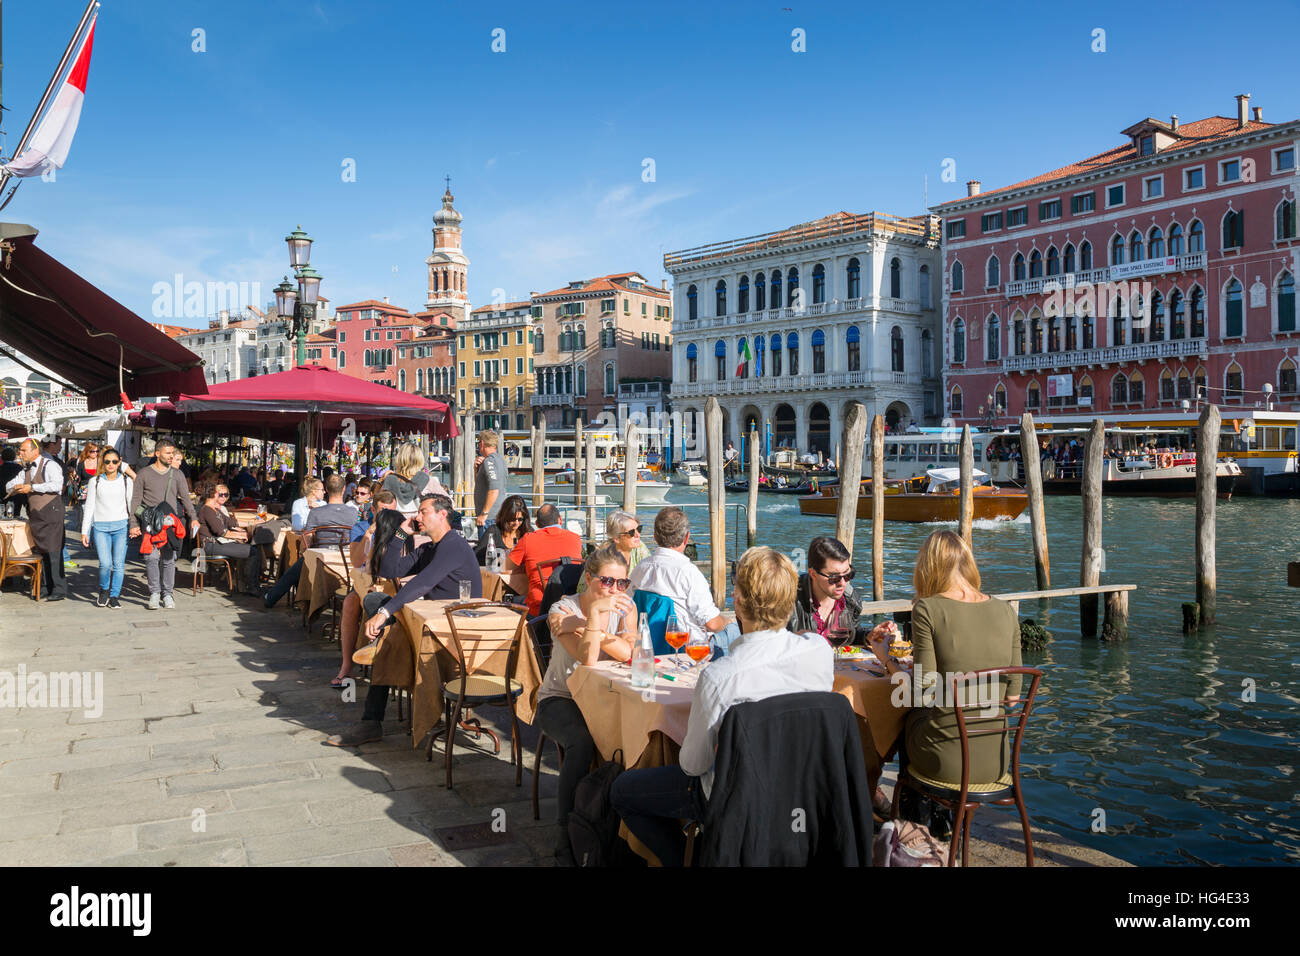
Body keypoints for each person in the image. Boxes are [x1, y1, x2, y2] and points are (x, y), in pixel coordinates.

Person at [611, 546, 834, 867]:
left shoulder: (720, 676)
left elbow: (692, 764)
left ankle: (689, 859)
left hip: (734, 798)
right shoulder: (820, 652)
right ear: (790, 601)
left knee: (623, 793)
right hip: (801, 789)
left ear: (737, 600)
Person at [868, 530, 1021, 834]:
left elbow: (923, 693)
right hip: (997, 762)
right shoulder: (1006, 611)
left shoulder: (928, 609)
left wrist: (886, 659)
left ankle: (915, 831)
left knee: (907, 719)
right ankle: (939, 823)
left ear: (927, 566)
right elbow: (1012, 699)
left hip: (947, 763)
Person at [328, 493, 480, 746]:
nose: (417, 517)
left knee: (387, 637)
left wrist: (385, 615)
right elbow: (389, 571)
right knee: (374, 602)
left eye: (423, 512)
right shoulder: (431, 548)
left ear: (442, 515)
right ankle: (381, 643)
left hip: (453, 632)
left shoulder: (453, 544)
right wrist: (400, 533)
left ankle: (371, 720)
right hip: (432, 622)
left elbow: (423, 583)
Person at [534, 542, 639, 864]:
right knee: (581, 741)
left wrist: (594, 630)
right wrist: (594, 616)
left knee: (642, 735)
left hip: (608, 699)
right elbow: (588, 658)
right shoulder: (562, 609)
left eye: (621, 583)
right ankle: (565, 835)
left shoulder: (626, 609)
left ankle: (625, 833)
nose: (614, 589)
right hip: (560, 699)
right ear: (589, 578)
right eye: (607, 581)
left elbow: (632, 654)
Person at [629, 506, 738, 653]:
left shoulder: (640, 568)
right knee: (736, 632)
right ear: (686, 537)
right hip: (689, 650)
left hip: (649, 647)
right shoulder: (689, 573)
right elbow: (711, 623)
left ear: (655, 537)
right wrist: (728, 622)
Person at [332, 502, 403, 688]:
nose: (387, 513)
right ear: (373, 510)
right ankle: (347, 665)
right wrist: (369, 535)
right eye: (382, 510)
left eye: (391, 509)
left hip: (390, 589)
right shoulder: (361, 527)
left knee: (372, 600)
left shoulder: (399, 528)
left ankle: (379, 645)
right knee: (350, 603)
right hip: (367, 584)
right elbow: (357, 563)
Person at [128, 438, 199, 610]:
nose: (171, 456)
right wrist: (133, 523)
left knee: (168, 559)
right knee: (151, 557)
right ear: (157, 453)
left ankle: (167, 594)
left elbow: (186, 498)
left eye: (172, 453)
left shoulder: (178, 474)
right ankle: (154, 593)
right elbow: (136, 500)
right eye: (168, 453)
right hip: (150, 521)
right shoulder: (144, 473)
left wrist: (194, 517)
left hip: (171, 522)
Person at [5, 438, 69, 600]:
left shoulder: (50, 465)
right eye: (20, 450)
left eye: (23, 450)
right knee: (41, 551)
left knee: (53, 552)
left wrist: (32, 488)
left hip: (52, 512)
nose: (20, 452)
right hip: (36, 515)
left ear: (35, 451)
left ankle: (59, 589)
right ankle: (45, 586)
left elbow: (57, 485)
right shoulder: (24, 469)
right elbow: (8, 485)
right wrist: (15, 487)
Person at [80, 447, 134, 607]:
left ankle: (115, 595)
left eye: (114, 461)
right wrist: (85, 531)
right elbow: (89, 507)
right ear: (103, 463)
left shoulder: (126, 481)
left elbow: (131, 504)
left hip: (122, 526)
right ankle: (104, 590)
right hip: (100, 527)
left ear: (120, 463)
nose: (111, 464)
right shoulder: (95, 481)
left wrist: (134, 525)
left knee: (118, 564)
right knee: (104, 563)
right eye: (107, 461)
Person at [509, 502, 582, 616]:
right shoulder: (576, 539)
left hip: (539, 608)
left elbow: (507, 567)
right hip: (570, 606)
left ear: (537, 524)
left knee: (509, 601)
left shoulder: (528, 539)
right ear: (560, 520)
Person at [787, 535, 862, 639]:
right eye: (834, 578)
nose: (843, 583)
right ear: (813, 574)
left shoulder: (851, 599)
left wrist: (868, 636)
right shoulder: (788, 601)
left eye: (848, 575)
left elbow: (851, 637)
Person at [195, 480, 261, 595]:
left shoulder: (215, 509)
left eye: (226, 495)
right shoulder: (207, 510)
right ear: (213, 495)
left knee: (252, 548)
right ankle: (251, 586)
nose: (223, 497)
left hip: (218, 543)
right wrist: (240, 535)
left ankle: (244, 584)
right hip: (210, 545)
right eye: (220, 494)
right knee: (253, 551)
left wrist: (251, 523)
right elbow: (221, 532)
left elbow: (231, 522)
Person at [577, 509, 649, 593]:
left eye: (639, 529)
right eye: (632, 532)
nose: (638, 535)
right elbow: (588, 591)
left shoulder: (640, 548)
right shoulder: (602, 558)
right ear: (616, 538)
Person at [382, 442, 438, 516]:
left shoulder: (389, 480)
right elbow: (449, 504)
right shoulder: (428, 480)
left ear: (399, 459)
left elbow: (379, 504)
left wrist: (381, 480)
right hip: (420, 523)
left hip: (395, 524)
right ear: (420, 460)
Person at [474, 492, 530, 566]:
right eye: (512, 519)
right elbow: (476, 557)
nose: (516, 523)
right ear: (505, 516)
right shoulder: (493, 531)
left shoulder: (528, 531)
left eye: (520, 519)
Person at [302, 474, 358, 546]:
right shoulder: (353, 512)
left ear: (326, 489)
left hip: (321, 555)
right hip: (344, 555)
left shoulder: (315, 512)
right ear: (344, 489)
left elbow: (306, 543)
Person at [473, 430, 507, 532]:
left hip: (489, 519)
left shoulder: (489, 461)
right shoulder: (500, 460)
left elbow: (494, 489)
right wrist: (477, 470)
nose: (478, 447)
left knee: (486, 548)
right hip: (498, 515)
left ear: (482, 443)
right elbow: (481, 484)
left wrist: (484, 514)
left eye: (478, 444)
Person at [0, 445, 23, 513]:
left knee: (3, 516)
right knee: (16, 515)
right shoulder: (19, 468)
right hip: (17, 496)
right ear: (14, 457)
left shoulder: (1, 468)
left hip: (2, 496)